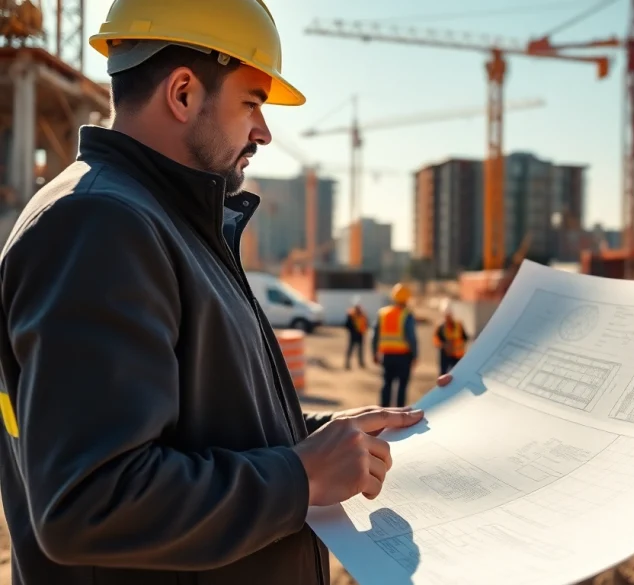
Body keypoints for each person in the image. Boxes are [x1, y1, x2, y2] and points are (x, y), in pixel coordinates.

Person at [0, 2, 423, 584]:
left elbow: (205, 423)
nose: (265, 131)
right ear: (182, 93)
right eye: (252, 102)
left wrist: (322, 435)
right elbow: (89, 501)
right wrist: (301, 478)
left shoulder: (167, 223)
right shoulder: (99, 224)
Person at [373, 283, 418, 408]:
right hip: (403, 356)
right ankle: (399, 413)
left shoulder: (382, 313)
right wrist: (415, 355)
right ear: (407, 299)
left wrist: (374, 353)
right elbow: (411, 338)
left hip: (386, 355)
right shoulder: (407, 315)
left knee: (386, 384)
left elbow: (375, 335)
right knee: (402, 386)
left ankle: (383, 413)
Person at [433, 299, 469, 374]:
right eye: (446, 316)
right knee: (444, 375)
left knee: (458, 375)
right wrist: (444, 345)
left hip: (458, 356)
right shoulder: (440, 327)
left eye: (449, 315)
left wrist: (457, 346)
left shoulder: (459, 325)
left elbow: (465, 338)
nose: (448, 318)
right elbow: (435, 340)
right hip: (445, 356)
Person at [344, 299, 369, 369]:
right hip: (353, 334)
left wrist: (363, 330)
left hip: (360, 334)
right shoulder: (351, 315)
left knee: (360, 350)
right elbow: (347, 325)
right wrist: (352, 330)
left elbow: (366, 323)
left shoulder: (363, 315)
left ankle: (361, 363)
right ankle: (347, 364)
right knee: (350, 349)